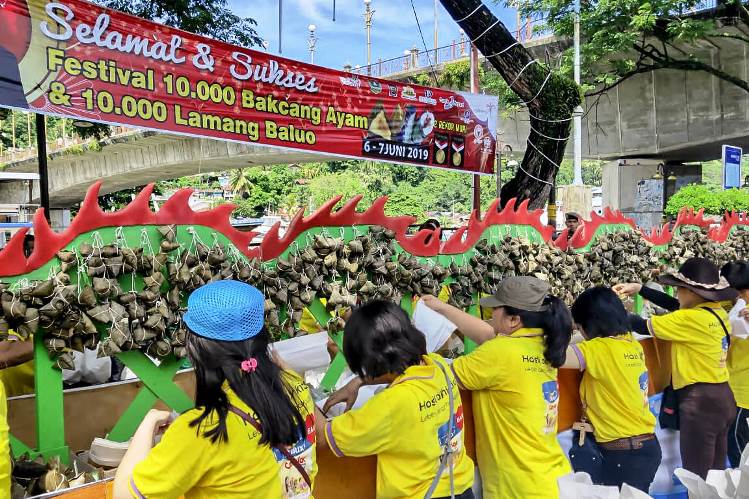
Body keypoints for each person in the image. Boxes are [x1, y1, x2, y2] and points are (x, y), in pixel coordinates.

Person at [113, 280, 317, 499]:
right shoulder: (295, 385)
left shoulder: (205, 430)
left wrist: (148, 423)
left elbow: (124, 496)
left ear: (196, 350)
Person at [423, 276, 573, 499]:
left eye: (495, 309)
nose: (491, 315)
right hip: (551, 477)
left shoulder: (500, 353)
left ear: (513, 320)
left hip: (518, 487)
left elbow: (439, 377)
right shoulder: (543, 342)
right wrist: (442, 308)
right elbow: (487, 335)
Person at [320, 300, 475, 499]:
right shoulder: (437, 365)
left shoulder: (391, 403)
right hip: (460, 488)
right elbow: (398, 369)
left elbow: (325, 436)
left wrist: (295, 389)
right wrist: (358, 382)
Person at [614, 257, 737, 479]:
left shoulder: (689, 319)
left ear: (690, 292)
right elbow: (674, 306)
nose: (676, 293)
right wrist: (641, 289)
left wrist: (609, 306)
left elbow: (640, 325)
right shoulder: (716, 311)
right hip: (724, 397)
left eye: (678, 289)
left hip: (701, 402)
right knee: (716, 475)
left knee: (697, 477)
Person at [562, 287, 660, 492]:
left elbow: (555, 358)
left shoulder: (598, 350)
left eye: (579, 327)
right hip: (646, 447)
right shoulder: (630, 343)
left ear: (590, 325)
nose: (580, 333)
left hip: (624, 455)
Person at [719, 261, 749, 467]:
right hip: (734, 391)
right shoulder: (734, 307)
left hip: (743, 396)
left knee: (740, 455)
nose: (742, 298)